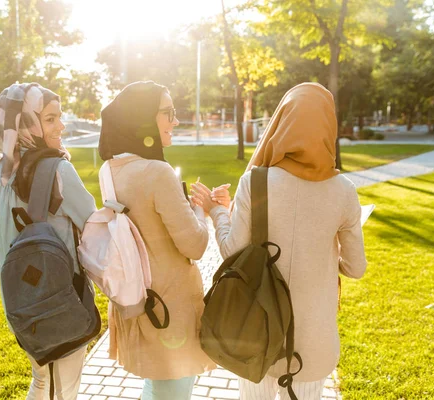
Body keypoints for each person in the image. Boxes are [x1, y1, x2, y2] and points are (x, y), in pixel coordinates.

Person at [191, 82, 367, 400]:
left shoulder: (256, 181)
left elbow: (231, 250)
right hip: (313, 344)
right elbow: (355, 268)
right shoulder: (344, 191)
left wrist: (219, 212)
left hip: (254, 333)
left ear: (281, 123)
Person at [98, 81, 216, 400]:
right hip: (170, 311)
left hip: (139, 301)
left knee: (154, 386)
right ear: (144, 119)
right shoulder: (157, 172)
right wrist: (200, 210)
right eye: (168, 113)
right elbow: (195, 245)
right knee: (173, 392)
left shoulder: (109, 170)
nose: (175, 121)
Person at [0, 83, 97, 400]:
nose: (61, 125)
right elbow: (94, 226)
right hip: (58, 300)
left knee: (43, 381)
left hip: (19, 302)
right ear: (27, 123)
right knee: (63, 391)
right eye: (50, 118)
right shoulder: (58, 170)